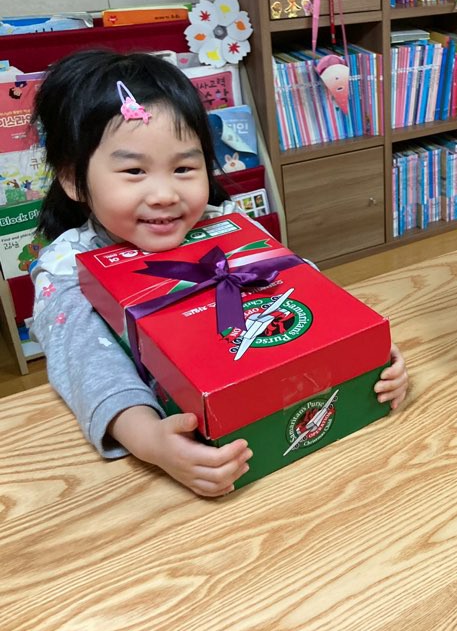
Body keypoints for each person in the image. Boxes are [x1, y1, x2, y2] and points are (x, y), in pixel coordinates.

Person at [31, 50, 409, 497]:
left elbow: (301, 288)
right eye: (134, 171)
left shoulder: (222, 223)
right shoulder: (67, 268)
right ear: (74, 180)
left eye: (184, 168)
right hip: (200, 447)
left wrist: (369, 352)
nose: (165, 194)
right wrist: (152, 441)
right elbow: (90, 368)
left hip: (293, 422)